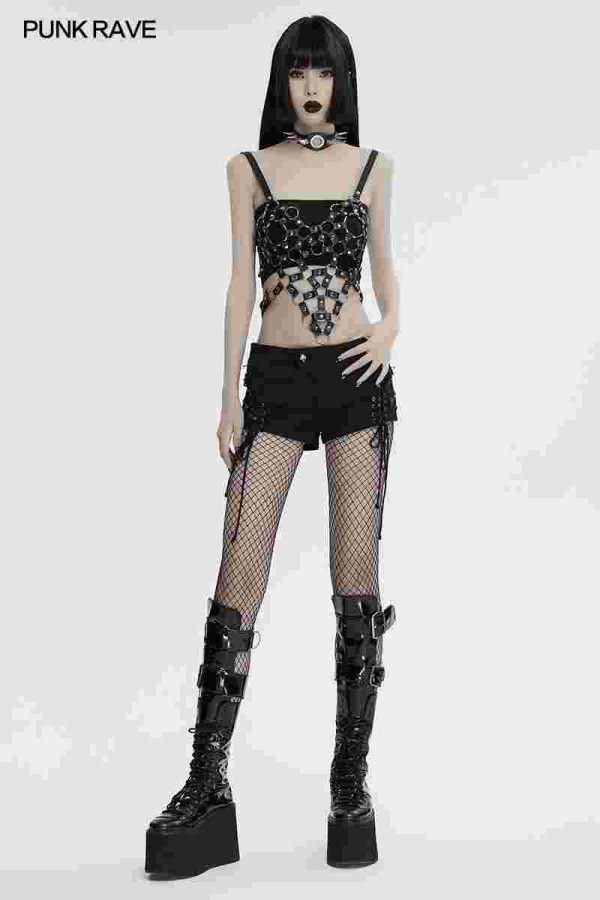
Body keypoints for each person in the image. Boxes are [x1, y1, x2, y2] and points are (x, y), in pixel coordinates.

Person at [145, 15, 400, 878]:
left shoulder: (373, 168)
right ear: (281, 83)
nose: (311, 86)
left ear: (342, 81)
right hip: (276, 383)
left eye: (323, 72)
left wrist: (391, 327)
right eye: (298, 71)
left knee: (354, 583)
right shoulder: (247, 169)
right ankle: (207, 783)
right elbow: (236, 283)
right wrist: (227, 397)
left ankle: (348, 786)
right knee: (239, 574)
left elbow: (386, 272)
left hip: (357, 381)